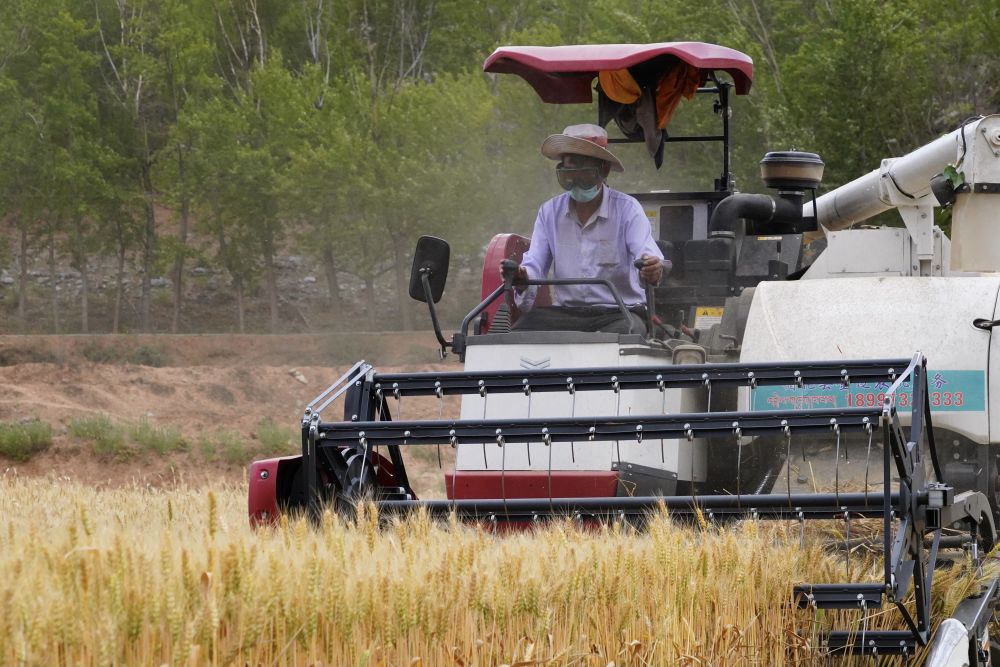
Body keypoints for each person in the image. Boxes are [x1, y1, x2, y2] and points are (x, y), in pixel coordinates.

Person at [509, 123, 667, 335]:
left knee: (626, 332)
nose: (575, 180)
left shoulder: (628, 209)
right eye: (569, 174)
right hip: (567, 314)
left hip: (619, 313)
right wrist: (522, 278)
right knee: (522, 329)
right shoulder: (549, 212)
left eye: (582, 172)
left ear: (604, 169)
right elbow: (534, 264)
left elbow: (648, 256)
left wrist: (651, 268)